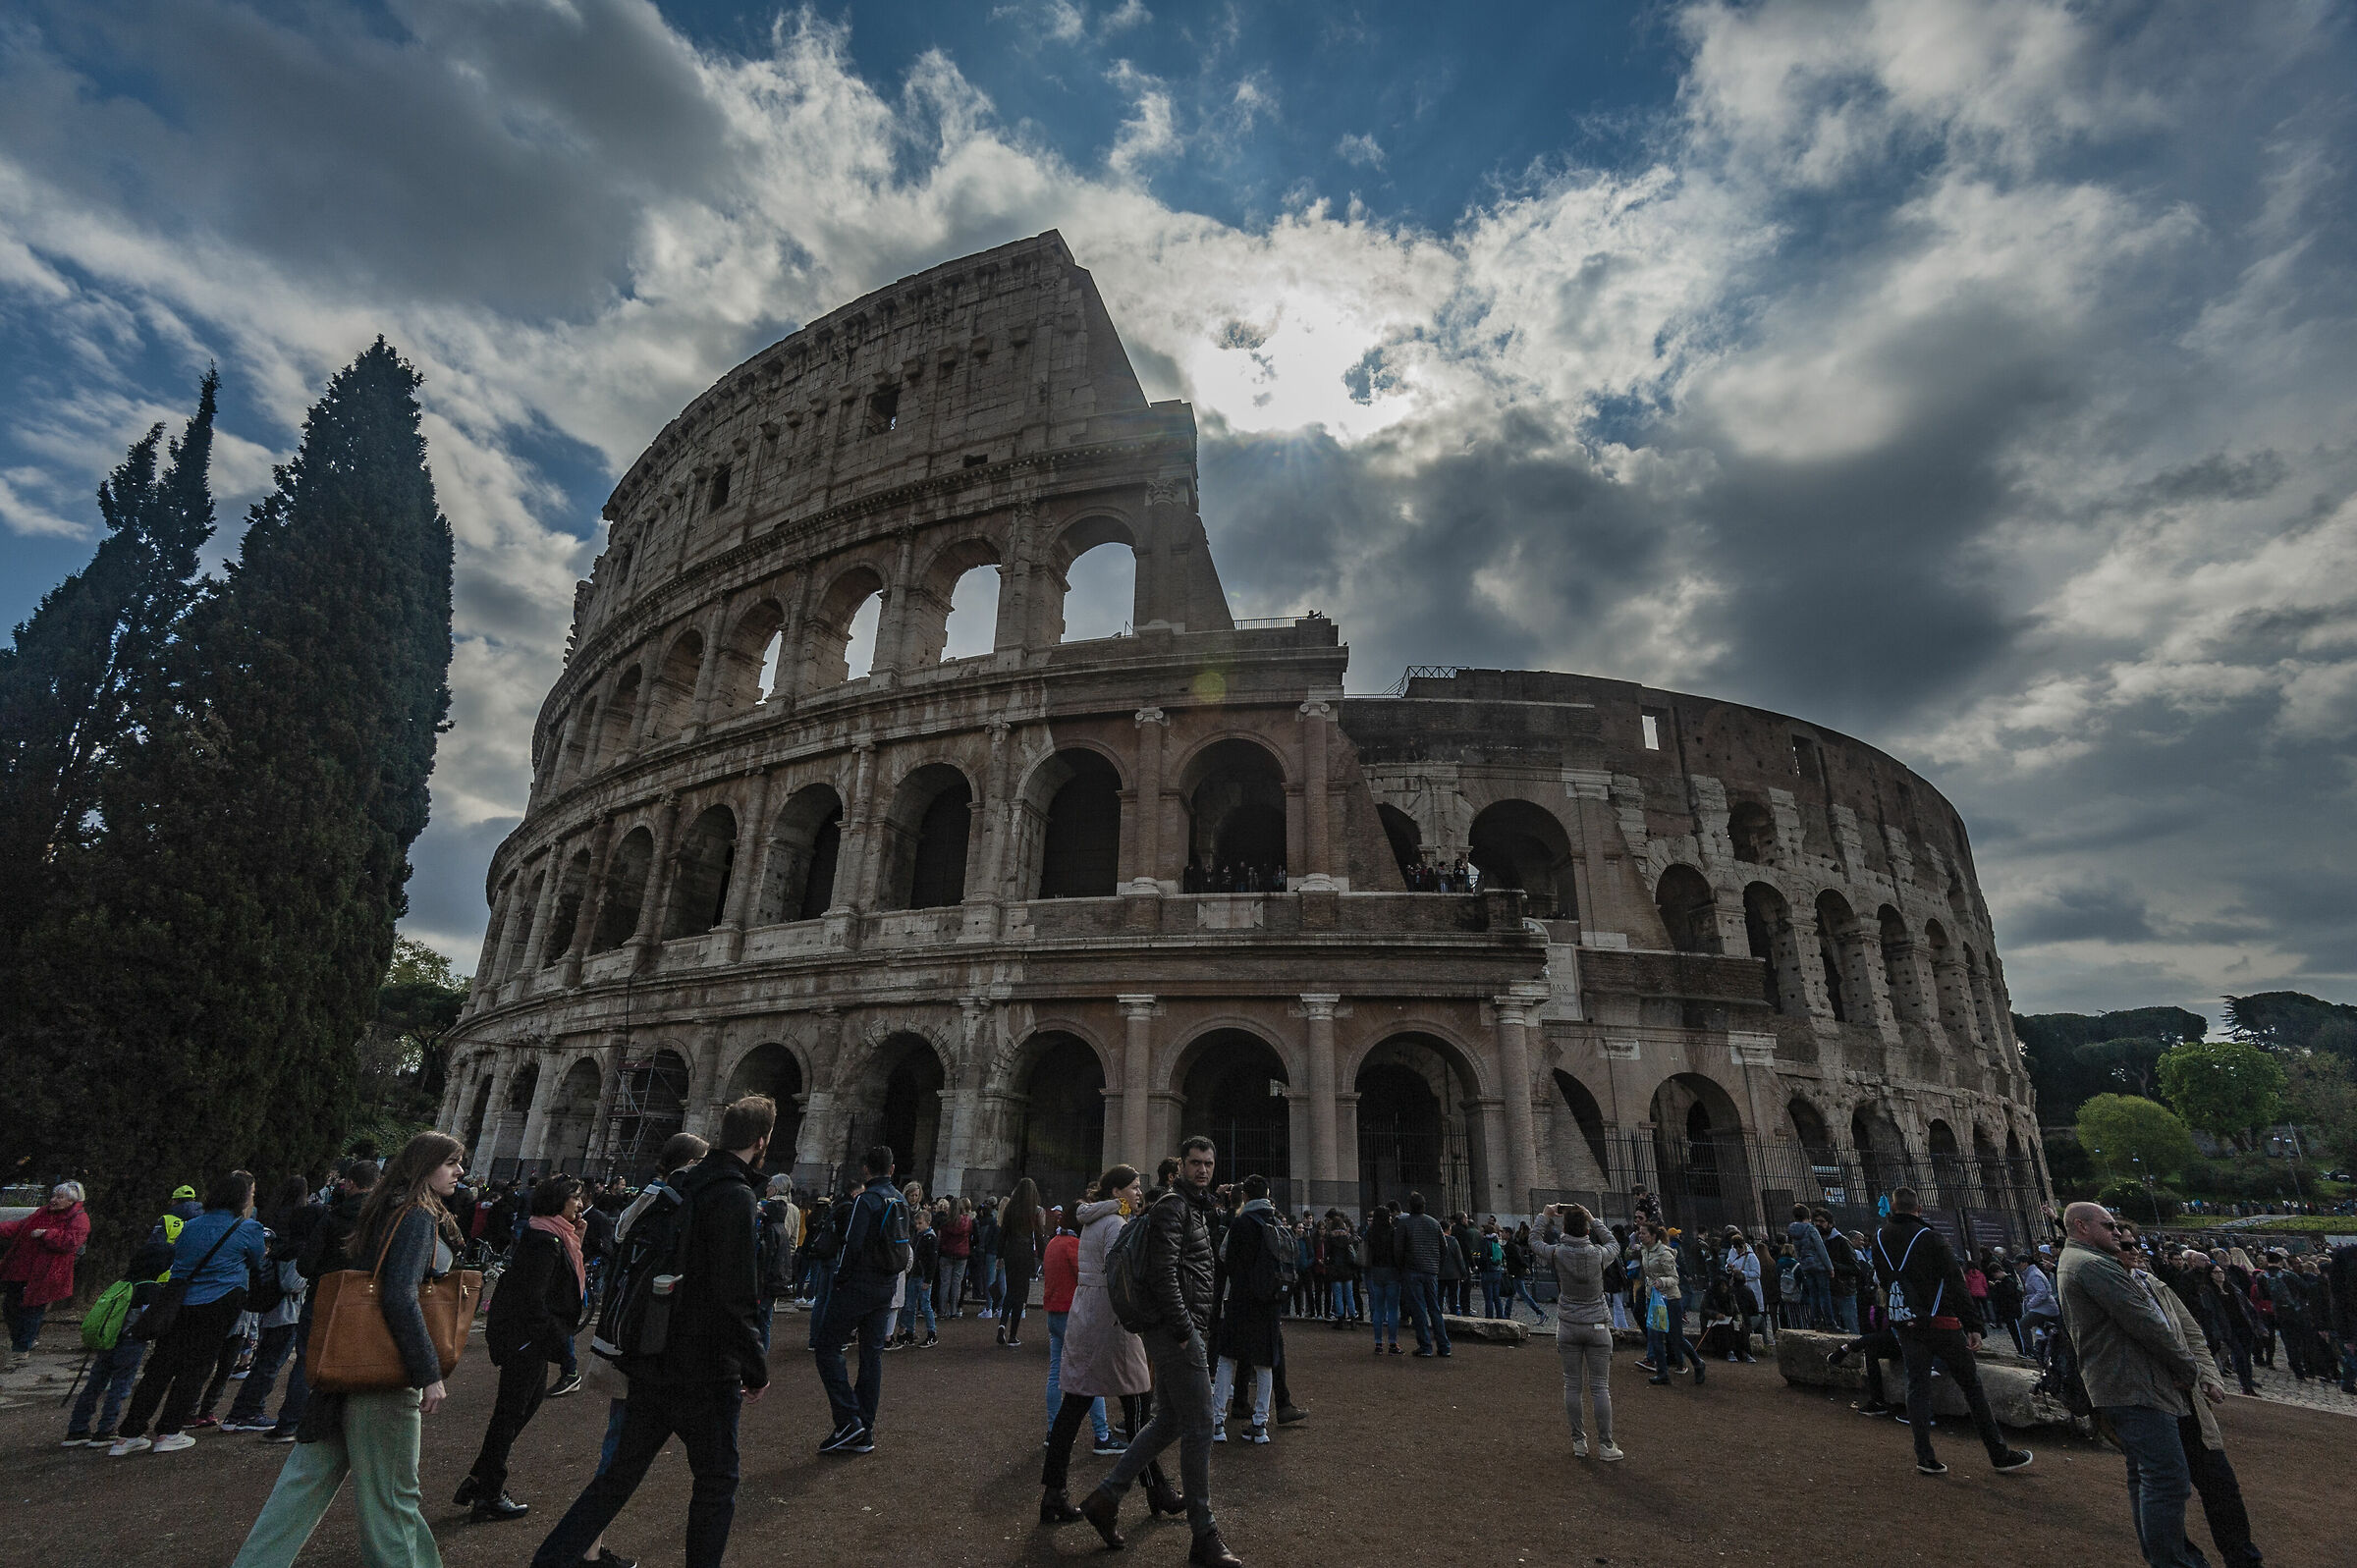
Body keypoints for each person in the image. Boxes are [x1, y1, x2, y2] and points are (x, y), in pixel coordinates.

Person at [530, 1100, 774, 1568]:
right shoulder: (735, 1194)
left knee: (618, 1476)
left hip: (650, 1350)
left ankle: (552, 1560)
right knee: (717, 1481)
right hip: (703, 1365)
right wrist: (755, 1365)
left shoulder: (680, 1183)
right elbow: (736, 1295)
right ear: (761, 1140)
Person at [228, 1134, 467, 1567]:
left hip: (347, 1357)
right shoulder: (417, 1215)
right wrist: (428, 1372)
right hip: (384, 1369)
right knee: (394, 1497)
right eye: (451, 1162)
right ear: (424, 1166)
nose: (460, 1171)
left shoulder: (381, 1207)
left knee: (303, 1485)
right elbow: (399, 1294)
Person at [1078, 1137, 1241, 1568]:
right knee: (1201, 1425)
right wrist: (1187, 1330)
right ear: (1180, 1167)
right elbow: (1163, 1272)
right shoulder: (1174, 1206)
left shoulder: (1191, 1207)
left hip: (1178, 1329)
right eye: (1195, 1163)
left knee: (1168, 1420)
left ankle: (1106, 1498)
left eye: (1208, 1163)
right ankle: (1204, 1535)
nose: (1202, 1170)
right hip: (1177, 1332)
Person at [2057, 1202, 2209, 1568]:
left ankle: (2163, 1556)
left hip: (2117, 1382)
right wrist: (2187, 1366)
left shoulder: (2079, 1262)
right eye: (2108, 1225)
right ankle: (2170, 1561)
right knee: (2167, 1479)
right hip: (2133, 1383)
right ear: (2081, 1226)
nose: (2116, 1232)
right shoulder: (2093, 1265)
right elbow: (2143, 1321)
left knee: (2144, 1475)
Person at [1041, 1164, 1181, 1526]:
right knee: (1138, 1408)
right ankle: (1156, 1490)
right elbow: (1123, 1275)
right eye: (1134, 1187)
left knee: (1074, 1407)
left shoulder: (1091, 1220)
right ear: (1117, 1192)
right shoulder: (1117, 1224)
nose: (1139, 1193)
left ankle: (1053, 1493)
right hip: (1112, 1320)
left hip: (1086, 1313)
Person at [2121, 1236, 2264, 1568]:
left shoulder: (2156, 1284)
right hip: (2152, 1402)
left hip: (2190, 1400)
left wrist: (2208, 1376)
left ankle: (2243, 1558)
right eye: (2125, 1245)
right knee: (2162, 1491)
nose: (2133, 1250)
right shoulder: (2108, 1288)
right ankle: (2183, 1560)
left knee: (2222, 1488)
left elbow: (2192, 1332)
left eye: (2133, 1244)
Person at [1874, 1187, 2033, 1479]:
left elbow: (1884, 1279)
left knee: (1917, 1386)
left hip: (1905, 1320)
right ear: (1919, 1209)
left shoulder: (1880, 1238)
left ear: (1893, 1209)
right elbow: (1956, 1283)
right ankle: (1998, 1453)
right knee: (1971, 1386)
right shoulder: (1931, 1238)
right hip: (1941, 1321)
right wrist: (1973, 1325)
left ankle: (1925, 1456)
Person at [111, 1170, 269, 1455]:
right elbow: (257, 1261)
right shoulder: (247, 1229)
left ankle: (129, 1433)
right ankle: (169, 1431)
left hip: (179, 1300)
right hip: (219, 1302)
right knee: (195, 1369)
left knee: (160, 1367)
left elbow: (180, 1257)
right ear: (242, 1198)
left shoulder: (191, 1225)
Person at [459, 1174, 587, 1523]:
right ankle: (488, 1494)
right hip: (526, 1338)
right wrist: (554, 1337)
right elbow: (534, 1297)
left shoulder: (551, 1233)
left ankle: (479, 1478)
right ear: (558, 1201)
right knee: (511, 1412)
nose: (579, 1204)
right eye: (575, 1197)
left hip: (529, 1336)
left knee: (523, 1407)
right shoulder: (545, 1240)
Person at [812, 1143, 909, 1456]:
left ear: (866, 1169)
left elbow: (852, 1246)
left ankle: (847, 1420)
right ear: (892, 1170)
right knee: (872, 1356)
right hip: (886, 1284)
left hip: (860, 1284)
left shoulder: (867, 1200)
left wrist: (841, 1279)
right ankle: (864, 1428)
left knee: (827, 1347)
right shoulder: (901, 1199)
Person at [62, 1220, 176, 1447]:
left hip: (108, 1339)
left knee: (94, 1384)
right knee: (120, 1387)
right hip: (131, 1342)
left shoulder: (123, 1282)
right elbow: (149, 1320)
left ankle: (77, 1429)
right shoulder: (151, 1288)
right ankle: (106, 1429)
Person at [1530, 1204, 1620, 1460]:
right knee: (1600, 1387)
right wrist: (1594, 1219)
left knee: (1572, 1385)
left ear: (1565, 1228)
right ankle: (1606, 1445)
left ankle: (1579, 1442)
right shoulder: (1599, 1254)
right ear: (1587, 1229)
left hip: (1568, 1323)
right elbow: (1614, 1242)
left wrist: (1545, 1215)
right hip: (1597, 1324)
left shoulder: (1557, 1253)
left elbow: (1534, 1240)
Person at [1210, 1173, 1285, 1444]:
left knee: (1227, 1358)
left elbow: (1224, 1255)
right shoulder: (1276, 1222)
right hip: (1269, 1302)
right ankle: (1260, 1424)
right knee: (1265, 1363)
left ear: (1246, 1197)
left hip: (1241, 1299)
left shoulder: (1241, 1223)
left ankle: (1217, 1421)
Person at [1039, 1206, 1115, 1451]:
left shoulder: (1053, 1243)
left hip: (1054, 1312)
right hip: (1072, 1313)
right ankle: (1102, 1435)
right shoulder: (1073, 1245)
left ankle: (1053, 1430)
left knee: (1055, 1375)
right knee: (1090, 1376)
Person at [2, 1180, 90, 1368]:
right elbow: (20, 1227)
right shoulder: (43, 1212)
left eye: (60, 1197)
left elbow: (70, 1242)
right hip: (22, 1268)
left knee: (32, 1310)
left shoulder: (79, 1219)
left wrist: (46, 1234)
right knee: (10, 1307)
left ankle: (21, 1348)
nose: (54, 1200)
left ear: (72, 1201)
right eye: (54, 1196)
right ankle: (25, 1340)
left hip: (47, 1273)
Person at [1639, 1221, 1699, 1385]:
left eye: (1643, 1233)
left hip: (1671, 1299)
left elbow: (1675, 1278)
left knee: (1676, 1338)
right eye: (1640, 1233)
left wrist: (1661, 1282)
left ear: (1653, 1236)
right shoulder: (1645, 1250)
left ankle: (1698, 1363)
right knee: (1655, 1336)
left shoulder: (1664, 1253)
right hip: (1654, 1299)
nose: (1640, 1235)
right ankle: (1662, 1373)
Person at [1394, 1193, 1452, 1358]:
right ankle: (1444, 1346)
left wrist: (1401, 1267)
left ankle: (1425, 1346)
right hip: (1431, 1271)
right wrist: (1436, 1266)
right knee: (1435, 1309)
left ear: (1410, 1206)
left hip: (1412, 1270)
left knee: (1418, 1309)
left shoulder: (1404, 1223)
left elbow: (1398, 1249)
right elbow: (1444, 1249)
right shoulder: (1434, 1223)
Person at [997, 1177, 1043, 1347]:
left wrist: (999, 1255)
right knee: (1021, 1294)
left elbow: (1003, 1234)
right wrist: (1043, 1257)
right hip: (1025, 1252)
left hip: (1011, 1250)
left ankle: (1002, 1324)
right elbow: (1038, 1235)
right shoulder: (1034, 1211)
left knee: (1010, 1290)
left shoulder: (1010, 1209)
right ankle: (1013, 1334)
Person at [1787, 1203, 1835, 1329]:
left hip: (1806, 1266)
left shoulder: (1793, 1230)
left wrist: (1802, 1263)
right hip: (1818, 1265)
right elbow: (1821, 1249)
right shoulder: (1810, 1229)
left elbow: (1796, 1250)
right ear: (1807, 1215)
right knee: (1824, 1294)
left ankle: (1816, 1321)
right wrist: (1830, 1267)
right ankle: (1830, 1322)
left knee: (1813, 1295)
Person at [1363, 1204, 1401, 1354]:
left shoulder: (1370, 1233)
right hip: (1392, 1271)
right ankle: (1392, 1343)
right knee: (1392, 1309)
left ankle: (1378, 1343)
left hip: (1376, 1271)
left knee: (1378, 1309)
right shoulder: (1393, 1232)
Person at [1817, 1209, 1862, 1332]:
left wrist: (1833, 1265)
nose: (1818, 1224)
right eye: (1816, 1221)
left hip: (1844, 1291)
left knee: (1851, 1324)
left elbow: (1855, 1268)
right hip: (1827, 1290)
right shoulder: (1818, 1242)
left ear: (1830, 1223)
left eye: (1821, 1221)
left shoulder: (1842, 1241)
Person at [935, 1197, 973, 1321]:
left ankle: (941, 1310)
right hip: (961, 1255)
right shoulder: (967, 1221)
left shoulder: (946, 1222)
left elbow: (941, 1239)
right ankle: (954, 1310)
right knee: (957, 1283)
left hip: (947, 1254)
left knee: (945, 1283)